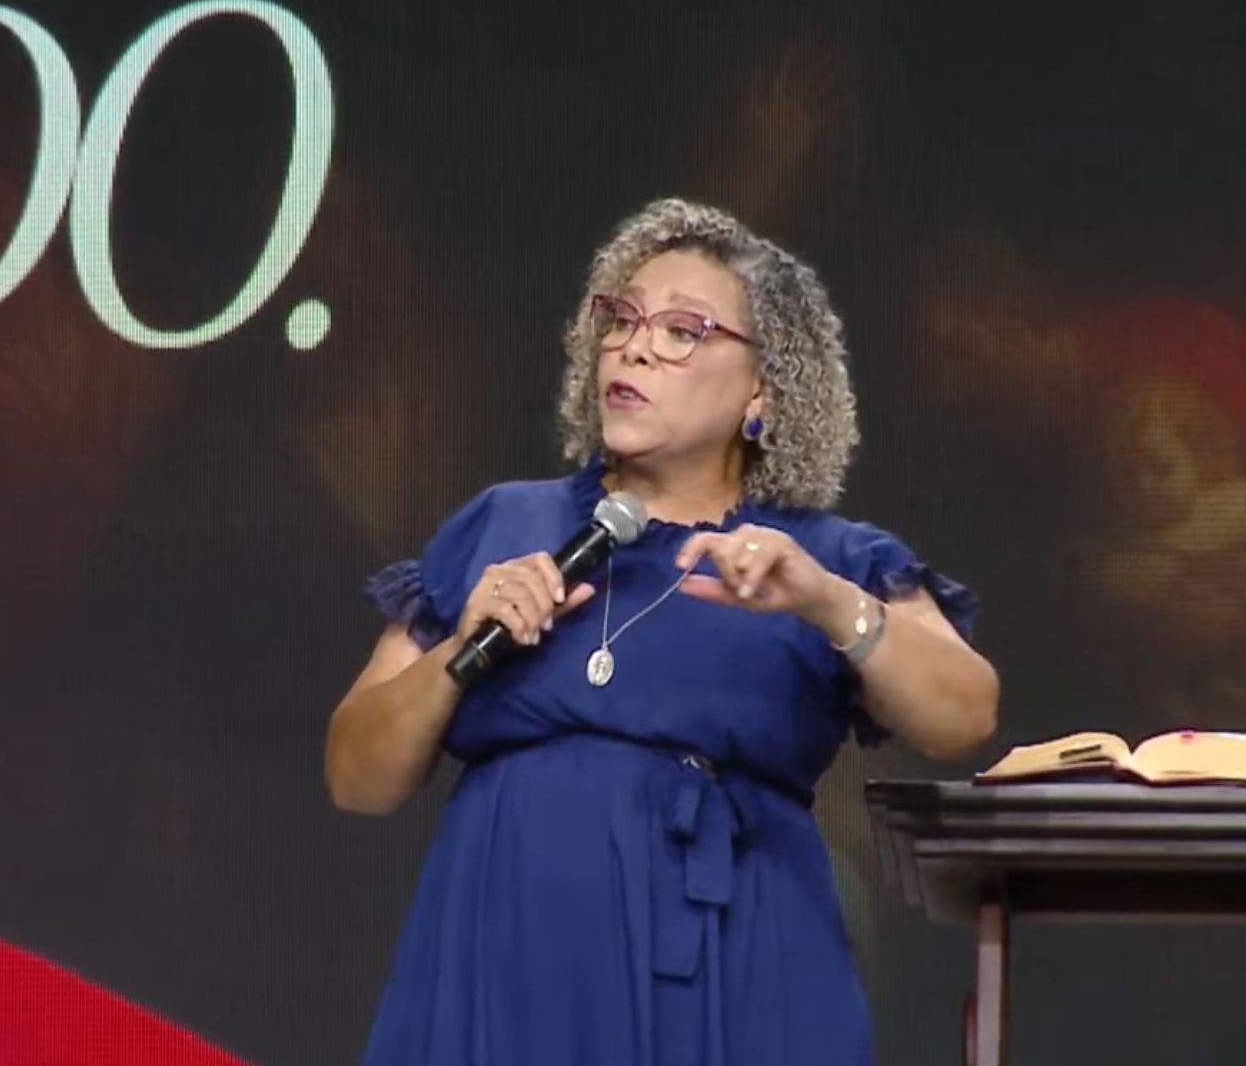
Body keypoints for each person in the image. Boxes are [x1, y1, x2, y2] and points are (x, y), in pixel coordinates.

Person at [325, 197, 999, 1065]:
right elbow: (357, 776)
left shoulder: (823, 557)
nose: (634, 346)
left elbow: (965, 711)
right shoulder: (504, 526)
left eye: (684, 330)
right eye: (621, 318)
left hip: (732, 968)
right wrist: (463, 650)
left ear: (764, 385)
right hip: (506, 973)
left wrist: (828, 604)